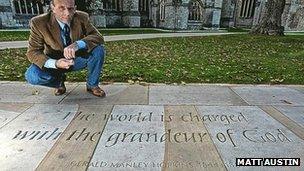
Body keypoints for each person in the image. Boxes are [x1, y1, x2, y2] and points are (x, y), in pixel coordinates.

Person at [25, 0, 106, 97]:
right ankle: (58, 83)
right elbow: (33, 52)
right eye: (61, 8)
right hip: (54, 61)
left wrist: (77, 44)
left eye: (70, 8)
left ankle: (92, 85)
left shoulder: (82, 17)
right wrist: (55, 63)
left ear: (75, 8)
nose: (67, 13)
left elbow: (98, 37)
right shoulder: (39, 23)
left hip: (76, 59)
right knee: (32, 76)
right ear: (52, 8)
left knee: (98, 50)